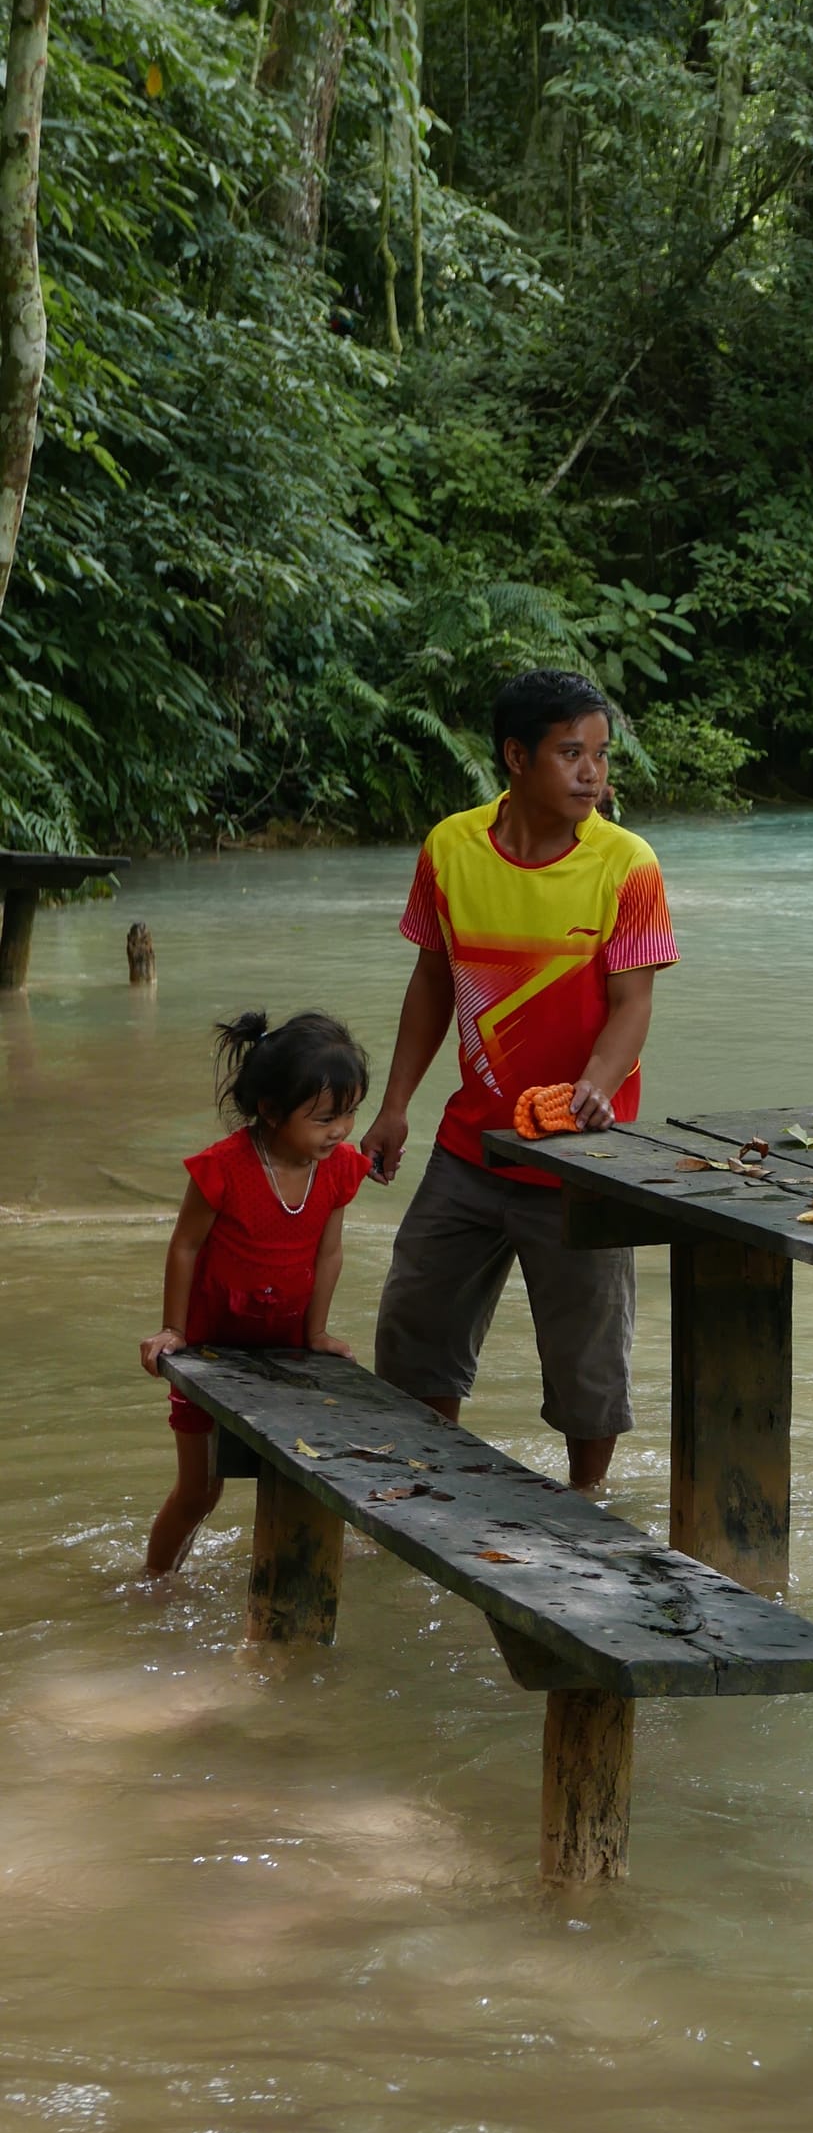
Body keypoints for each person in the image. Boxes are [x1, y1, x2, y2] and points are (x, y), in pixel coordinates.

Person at [359, 668, 678, 1493]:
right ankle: (432, 1489)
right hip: (471, 1148)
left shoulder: (627, 865)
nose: (592, 774)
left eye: (600, 754)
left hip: (584, 1163)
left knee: (589, 1369)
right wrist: (395, 1106)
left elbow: (632, 1004)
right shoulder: (450, 849)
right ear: (515, 756)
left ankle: (586, 1506)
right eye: (570, 753)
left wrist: (596, 1088)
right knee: (412, 1328)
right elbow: (434, 979)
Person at [140, 1011, 372, 1574]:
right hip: (209, 1349)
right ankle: (155, 1582)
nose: (339, 1130)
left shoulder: (339, 1170)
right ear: (269, 1111)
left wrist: (316, 1333)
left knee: (302, 1482)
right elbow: (185, 1247)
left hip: (286, 1346)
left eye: (348, 1114)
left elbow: (328, 1253)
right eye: (323, 1118)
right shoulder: (224, 1168)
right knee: (200, 1492)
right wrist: (174, 1330)